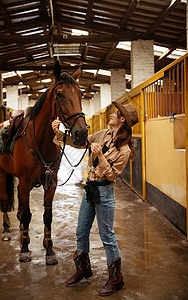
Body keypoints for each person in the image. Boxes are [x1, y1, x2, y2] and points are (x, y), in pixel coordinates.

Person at [52, 102, 138, 297]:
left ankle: (116, 278)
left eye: (115, 113)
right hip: (90, 189)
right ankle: (83, 269)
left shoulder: (124, 150)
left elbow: (112, 176)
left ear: (122, 120)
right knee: (81, 230)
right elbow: (80, 142)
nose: (111, 115)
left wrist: (101, 155)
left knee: (107, 235)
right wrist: (59, 133)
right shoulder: (103, 134)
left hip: (105, 192)